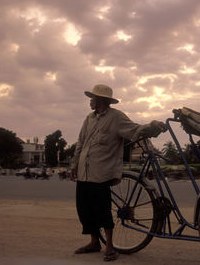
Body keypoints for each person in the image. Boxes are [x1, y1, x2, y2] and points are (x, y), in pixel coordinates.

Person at [70, 84, 166, 262]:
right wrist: (74, 164)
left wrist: (153, 126)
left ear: (101, 100)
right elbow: (80, 143)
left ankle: (110, 246)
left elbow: (135, 129)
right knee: (85, 209)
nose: (90, 101)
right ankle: (94, 242)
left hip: (101, 172)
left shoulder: (116, 117)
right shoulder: (88, 119)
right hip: (84, 171)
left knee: (102, 209)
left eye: (93, 98)